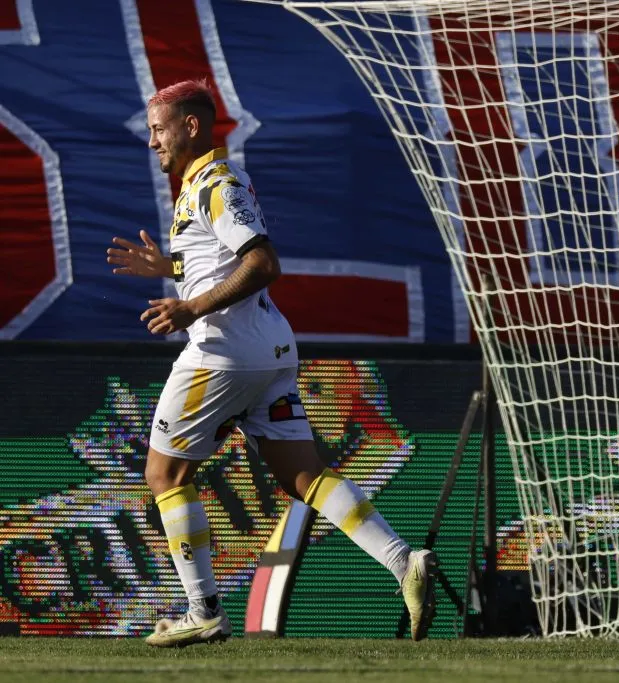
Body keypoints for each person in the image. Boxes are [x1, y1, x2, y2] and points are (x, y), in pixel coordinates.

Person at [106, 78, 436, 647]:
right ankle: (404, 562)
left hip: (221, 353)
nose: (152, 141)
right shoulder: (200, 186)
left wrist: (190, 307)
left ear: (191, 126)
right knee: (304, 475)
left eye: (159, 129)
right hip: (268, 353)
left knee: (163, 475)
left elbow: (261, 263)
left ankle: (203, 610)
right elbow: (223, 262)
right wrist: (172, 267)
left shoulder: (216, 183)